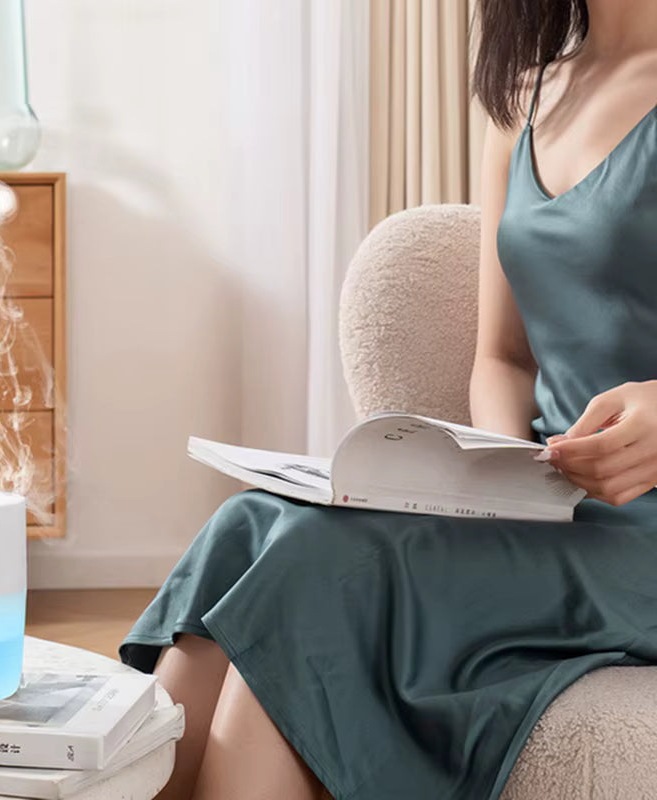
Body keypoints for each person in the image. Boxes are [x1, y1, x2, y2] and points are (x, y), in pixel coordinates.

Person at [120, 1, 657, 798]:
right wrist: (509, 479)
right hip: (554, 511)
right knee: (252, 526)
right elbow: (502, 358)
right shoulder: (525, 100)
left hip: (642, 534)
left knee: (319, 566)